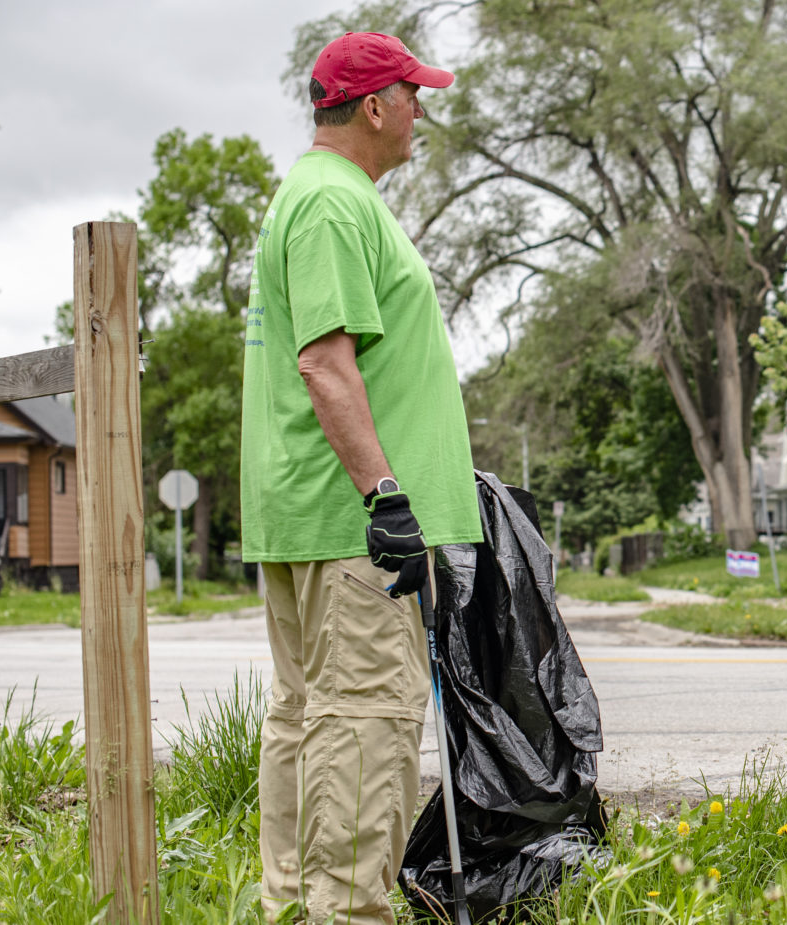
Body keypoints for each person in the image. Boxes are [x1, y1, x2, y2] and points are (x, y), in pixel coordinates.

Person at [240, 32, 483, 924]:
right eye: (414, 94)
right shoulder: (336, 204)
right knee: (363, 726)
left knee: (309, 719)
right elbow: (326, 364)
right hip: (355, 528)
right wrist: (386, 496)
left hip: (312, 514)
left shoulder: (317, 198)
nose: (424, 109)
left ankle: (296, 906)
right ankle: (344, 913)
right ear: (374, 106)